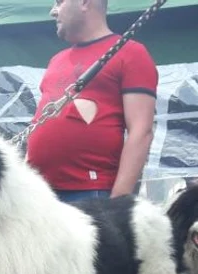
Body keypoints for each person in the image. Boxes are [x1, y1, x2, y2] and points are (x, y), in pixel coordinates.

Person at [25, 0, 158, 203]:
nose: (53, 11)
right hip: (38, 192)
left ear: (84, 2)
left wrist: (119, 201)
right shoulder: (56, 60)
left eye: (59, 2)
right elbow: (40, 123)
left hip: (91, 192)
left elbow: (141, 130)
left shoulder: (131, 53)